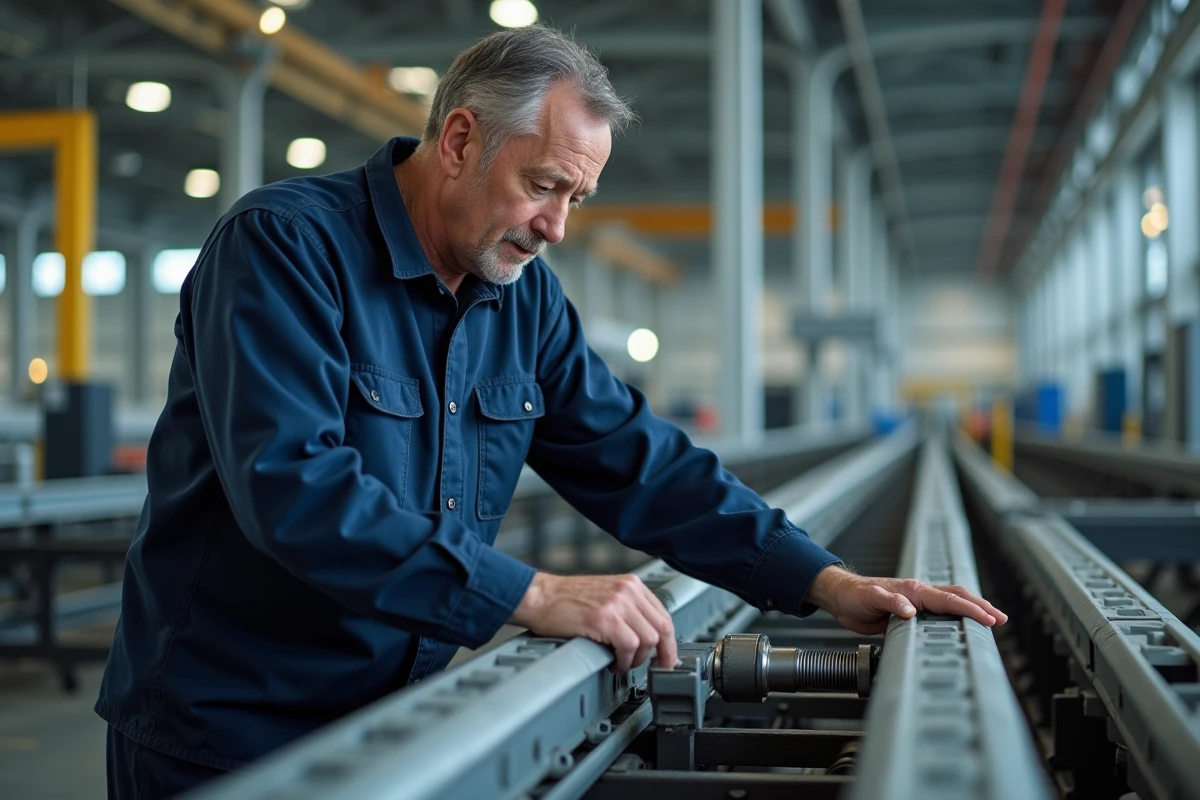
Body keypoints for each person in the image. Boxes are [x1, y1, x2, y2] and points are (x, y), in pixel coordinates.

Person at [97, 24, 1006, 798]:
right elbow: (294, 490)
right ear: (458, 141)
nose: (557, 226)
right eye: (544, 184)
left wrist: (824, 582)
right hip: (226, 730)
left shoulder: (522, 298)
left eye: (578, 197)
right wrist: (527, 594)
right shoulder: (286, 248)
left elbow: (636, 460)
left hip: (397, 717)